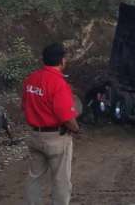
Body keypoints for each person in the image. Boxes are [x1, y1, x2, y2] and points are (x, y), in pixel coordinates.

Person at [22, 42, 80, 205]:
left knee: (34, 177)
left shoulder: (30, 79)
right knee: (61, 181)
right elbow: (67, 117)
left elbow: (24, 106)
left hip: (34, 136)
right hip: (56, 139)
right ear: (62, 61)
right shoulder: (58, 83)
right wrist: (76, 129)